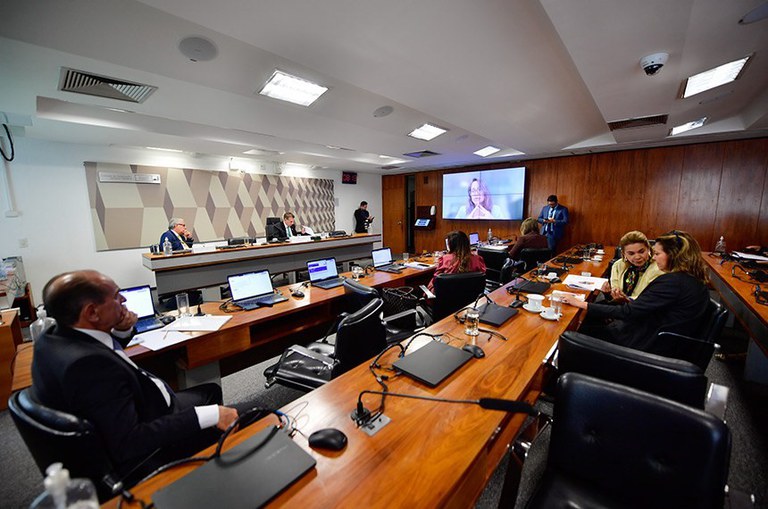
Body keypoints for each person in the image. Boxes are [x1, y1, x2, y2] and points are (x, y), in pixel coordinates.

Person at [31, 270, 239, 482]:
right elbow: (130, 441)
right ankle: (209, 476)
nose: (124, 299)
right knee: (216, 411)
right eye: (116, 296)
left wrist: (122, 330)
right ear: (92, 312)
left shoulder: (53, 338)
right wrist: (213, 415)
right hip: (147, 431)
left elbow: (102, 350)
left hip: (133, 409)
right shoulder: (88, 367)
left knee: (210, 392)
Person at [560, 230, 709, 351]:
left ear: (674, 255)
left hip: (645, 345)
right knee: (589, 322)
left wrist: (581, 304)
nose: (655, 259)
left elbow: (629, 312)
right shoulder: (690, 280)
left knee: (572, 336)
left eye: (657, 254)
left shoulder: (673, 282)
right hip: (657, 337)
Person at [601, 230, 664, 303]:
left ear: (648, 249)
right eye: (631, 253)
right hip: (620, 307)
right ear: (624, 253)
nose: (637, 257)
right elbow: (614, 294)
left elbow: (652, 299)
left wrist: (628, 300)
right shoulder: (618, 265)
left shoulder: (659, 268)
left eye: (641, 251)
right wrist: (608, 293)